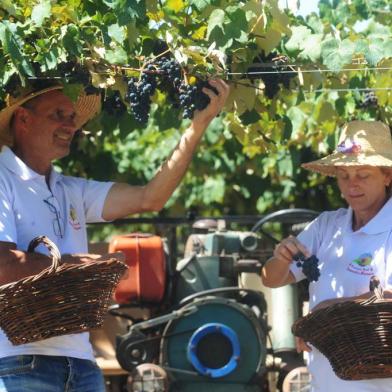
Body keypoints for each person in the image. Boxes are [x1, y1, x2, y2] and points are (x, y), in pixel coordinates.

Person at [0, 79, 229, 392]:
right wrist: (76, 264)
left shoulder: (70, 189)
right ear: (24, 119)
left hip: (81, 363)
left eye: (73, 117)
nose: (71, 125)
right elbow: (3, 266)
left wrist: (197, 127)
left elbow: (151, 198)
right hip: (18, 360)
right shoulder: (2, 179)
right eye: (59, 114)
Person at [261, 120, 392, 392]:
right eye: (344, 176)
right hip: (324, 383)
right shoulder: (326, 226)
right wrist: (281, 258)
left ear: (387, 175)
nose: (352, 184)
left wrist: (322, 315)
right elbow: (271, 279)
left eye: (363, 175)